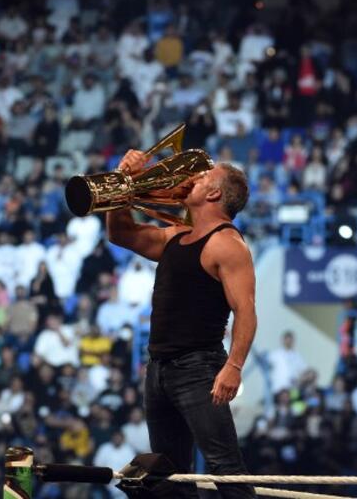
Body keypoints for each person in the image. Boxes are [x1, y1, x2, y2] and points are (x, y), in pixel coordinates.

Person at [107, 149, 257, 499]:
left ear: (215, 193)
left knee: (224, 466)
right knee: (168, 473)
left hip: (198, 367)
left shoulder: (227, 244)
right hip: (158, 367)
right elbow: (121, 233)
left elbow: (246, 311)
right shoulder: (175, 236)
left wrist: (233, 366)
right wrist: (122, 179)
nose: (191, 177)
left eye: (203, 177)